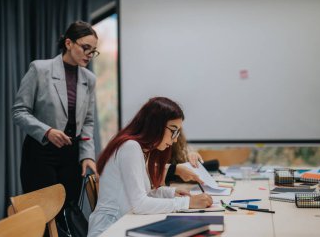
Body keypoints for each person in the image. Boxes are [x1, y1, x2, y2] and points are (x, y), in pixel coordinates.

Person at [88, 97, 213, 237]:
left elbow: (138, 196)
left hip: (124, 223)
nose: (176, 139)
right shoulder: (130, 147)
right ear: (155, 125)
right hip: (109, 230)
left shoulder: (139, 148)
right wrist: (187, 203)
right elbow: (139, 205)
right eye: (173, 131)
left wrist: (169, 193)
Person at [12, 21, 99, 220]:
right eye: (86, 48)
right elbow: (19, 111)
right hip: (40, 154)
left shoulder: (89, 79)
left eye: (93, 51)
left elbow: (88, 122)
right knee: (43, 216)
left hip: (71, 155)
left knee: (68, 216)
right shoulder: (39, 69)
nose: (89, 55)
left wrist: (87, 156)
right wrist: (47, 131)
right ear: (68, 43)